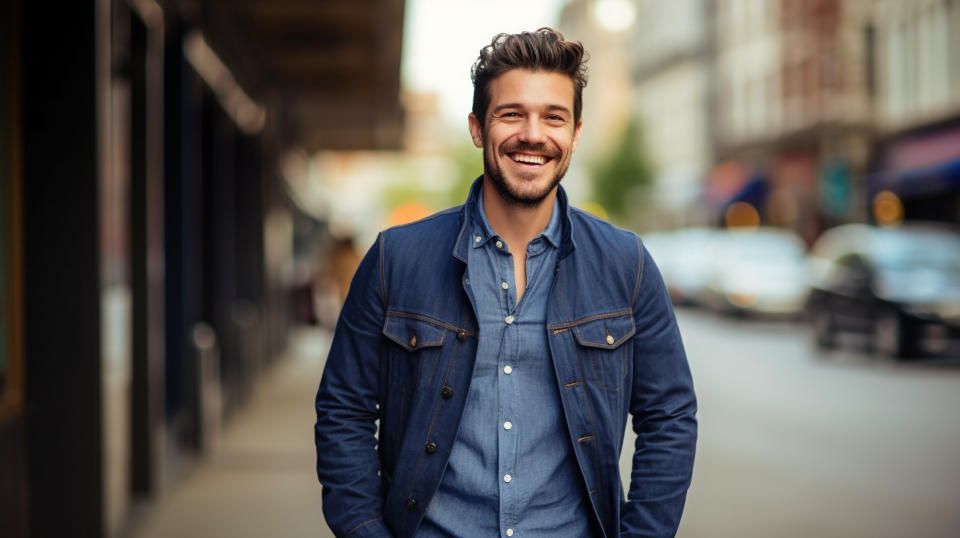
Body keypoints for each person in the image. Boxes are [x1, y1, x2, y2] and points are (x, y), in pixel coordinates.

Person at [315, 28, 697, 538]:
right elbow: (344, 410)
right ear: (477, 127)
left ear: (576, 133)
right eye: (511, 113)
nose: (533, 134)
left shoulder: (626, 264)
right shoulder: (395, 259)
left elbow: (670, 415)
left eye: (553, 117)